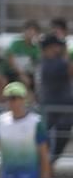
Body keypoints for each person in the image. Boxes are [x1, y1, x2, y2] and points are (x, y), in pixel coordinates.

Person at [36, 33, 73, 162]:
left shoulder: (55, 61)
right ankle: (47, 164)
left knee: (59, 138)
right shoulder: (50, 63)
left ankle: (49, 163)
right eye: (56, 46)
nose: (59, 48)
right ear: (49, 47)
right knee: (46, 139)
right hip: (54, 108)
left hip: (62, 108)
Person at [2, 20, 42, 91]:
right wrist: (21, 74)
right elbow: (11, 60)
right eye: (29, 30)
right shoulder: (17, 44)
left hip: (28, 73)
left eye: (33, 31)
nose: (30, 33)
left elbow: (38, 62)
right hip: (14, 72)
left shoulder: (35, 48)